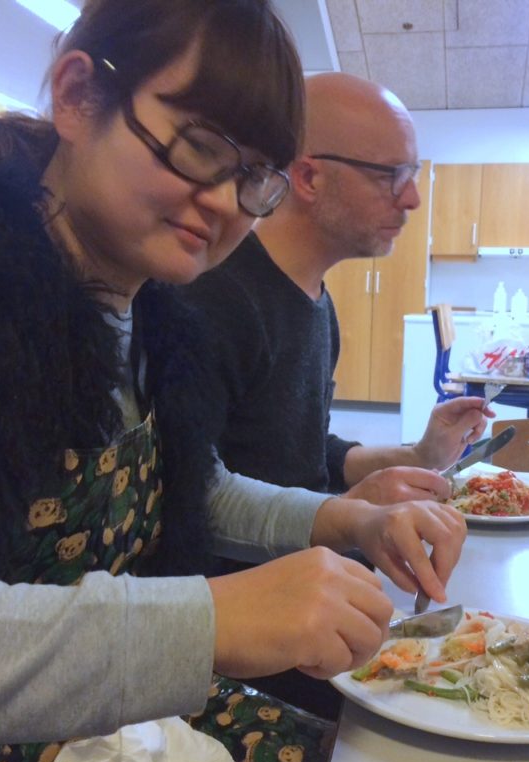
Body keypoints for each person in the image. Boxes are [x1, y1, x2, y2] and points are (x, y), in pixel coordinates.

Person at [0, 3, 466, 762]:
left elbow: (191, 489)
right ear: (79, 96)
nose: (223, 202)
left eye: (252, 178)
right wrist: (204, 622)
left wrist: (350, 524)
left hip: (96, 723)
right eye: (199, 147)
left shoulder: (149, 306)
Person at [181, 72, 494, 508]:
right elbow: (191, 502)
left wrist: (420, 456)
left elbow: (308, 456)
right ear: (309, 177)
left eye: (413, 174)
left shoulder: (316, 303)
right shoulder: (214, 300)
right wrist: (343, 515)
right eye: (392, 174)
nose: (412, 200)